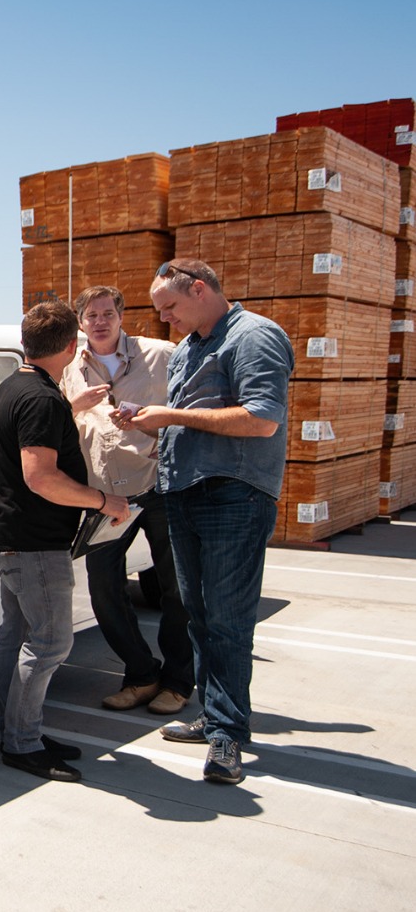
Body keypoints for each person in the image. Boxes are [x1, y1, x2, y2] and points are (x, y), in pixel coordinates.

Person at [118, 260, 293, 785]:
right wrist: (152, 425)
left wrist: (169, 417)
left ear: (200, 289)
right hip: (186, 493)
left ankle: (227, 735)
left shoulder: (254, 337)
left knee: (228, 620)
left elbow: (261, 419)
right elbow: (199, 417)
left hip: (231, 496)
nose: (165, 319)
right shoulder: (192, 346)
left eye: (170, 307)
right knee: (198, 616)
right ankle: (217, 714)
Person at [0, 300, 131, 781]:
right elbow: (41, 477)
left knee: (16, 636)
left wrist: (72, 407)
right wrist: (103, 501)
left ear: (25, 343)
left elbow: (33, 434)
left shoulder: (16, 387)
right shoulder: (42, 399)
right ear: (72, 347)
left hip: (12, 537)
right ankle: (22, 743)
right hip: (35, 544)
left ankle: (16, 730)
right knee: (49, 644)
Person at [62, 286, 194, 716]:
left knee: (177, 589)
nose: (99, 322)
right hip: (105, 495)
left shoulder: (161, 354)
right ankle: (141, 674)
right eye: (91, 315)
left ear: (121, 316)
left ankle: (177, 682)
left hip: (158, 487)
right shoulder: (69, 367)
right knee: (103, 589)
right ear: (81, 322)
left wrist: (168, 440)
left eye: (107, 314)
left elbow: (195, 405)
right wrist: (73, 405)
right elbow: (55, 420)